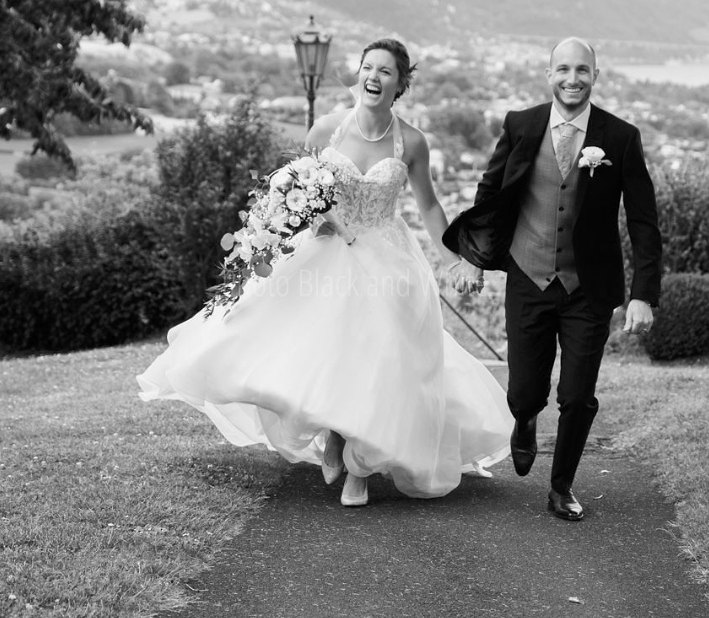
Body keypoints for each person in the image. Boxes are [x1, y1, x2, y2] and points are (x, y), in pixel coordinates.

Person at [137, 38, 512, 507]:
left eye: (386, 72)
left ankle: (357, 466)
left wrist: (456, 256)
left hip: (387, 256)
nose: (374, 77)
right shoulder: (326, 131)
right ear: (358, 74)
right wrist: (303, 223)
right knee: (331, 348)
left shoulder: (411, 141)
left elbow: (430, 207)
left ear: (400, 84)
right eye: (367, 68)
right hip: (328, 252)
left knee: (379, 355)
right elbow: (298, 194)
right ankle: (337, 439)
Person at [443, 37, 662, 521]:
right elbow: (491, 192)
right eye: (563, 69)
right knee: (524, 390)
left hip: (589, 287)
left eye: (582, 70)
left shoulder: (620, 137)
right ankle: (523, 420)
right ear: (548, 74)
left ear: (595, 77)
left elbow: (644, 222)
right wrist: (473, 257)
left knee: (578, 395)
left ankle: (561, 486)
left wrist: (643, 294)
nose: (573, 79)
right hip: (528, 275)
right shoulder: (521, 125)